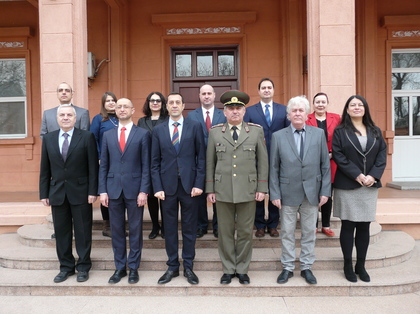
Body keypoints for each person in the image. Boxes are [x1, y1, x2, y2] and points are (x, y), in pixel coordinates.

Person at [206, 90, 269, 285]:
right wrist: (210, 188)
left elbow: (263, 161)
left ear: (244, 111)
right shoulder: (215, 131)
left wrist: (262, 188)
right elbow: (210, 162)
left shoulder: (256, 131)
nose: (235, 112)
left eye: (238, 108)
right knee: (224, 232)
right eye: (230, 108)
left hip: (248, 190)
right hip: (223, 190)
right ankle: (228, 268)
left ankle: (242, 269)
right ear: (224, 112)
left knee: (244, 232)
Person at [270, 95, 331, 285]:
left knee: (308, 232)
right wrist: (275, 193)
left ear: (306, 114)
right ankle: (287, 267)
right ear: (289, 115)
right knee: (287, 232)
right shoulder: (278, 136)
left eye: (301, 110)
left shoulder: (318, 134)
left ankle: (306, 267)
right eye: (294, 110)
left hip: (312, 192)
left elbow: (325, 165)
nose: (297, 113)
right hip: (287, 192)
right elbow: (274, 167)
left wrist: (325, 191)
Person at [39, 104, 98, 283]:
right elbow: (44, 168)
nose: (65, 117)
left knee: (82, 232)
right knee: (62, 232)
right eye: (62, 115)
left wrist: (92, 191)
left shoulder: (87, 137)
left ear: (75, 118)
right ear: (57, 118)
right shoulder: (49, 139)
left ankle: (83, 266)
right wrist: (43, 193)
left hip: (81, 192)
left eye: (69, 115)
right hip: (57, 192)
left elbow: (93, 167)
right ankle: (65, 267)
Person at [151, 92, 205, 285]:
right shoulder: (158, 130)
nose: (174, 105)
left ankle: (188, 266)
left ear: (183, 106)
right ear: (167, 107)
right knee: (170, 229)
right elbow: (154, 162)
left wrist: (199, 184)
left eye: (177, 102)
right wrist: (157, 187)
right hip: (167, 188)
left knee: (190, 229)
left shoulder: (195, 126)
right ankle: (173, 266)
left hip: (190, 187)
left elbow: (202, 158)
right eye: (171, 102)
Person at [332, 95, 387, 283]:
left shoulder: (375, 130)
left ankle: (360, 265)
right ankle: (347, 264)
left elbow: (381, 156)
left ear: (365, 109)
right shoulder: (340, 131)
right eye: (352, 105)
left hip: (369, 185)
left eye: (360, 105)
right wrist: (357, 174)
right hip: (348, 184)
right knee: (348, 225)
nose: (356, 107)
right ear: (347, 110)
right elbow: (338, 156)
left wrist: (373, 175)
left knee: (364, 226)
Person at [99, 98, 151, 285]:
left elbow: (146, 165)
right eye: (119, 106)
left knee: (136, 230)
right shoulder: (107, 135)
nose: (122, 109)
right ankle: (120, 267)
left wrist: (144, 190)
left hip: (135, 190)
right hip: (113, 191)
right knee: (117, 230)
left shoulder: (142, 134)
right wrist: (102, 190)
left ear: (132, 110)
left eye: (125, 107)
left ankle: (134, 268)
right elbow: (103, 165)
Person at [244, 78, 289, 238]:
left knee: (275, 190)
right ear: (259, 91)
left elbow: (287, 134)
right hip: (256, 158)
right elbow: (247, 134)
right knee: (258, 191)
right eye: (263, 88)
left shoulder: (283, 110)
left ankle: (273, 224)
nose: (266, 90)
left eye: (269, 87)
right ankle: (260, 225)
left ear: (273, 90)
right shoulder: (250, 111)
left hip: (278, 157)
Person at [187, 84, 226, 238]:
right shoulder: (191, 115)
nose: (207, 96)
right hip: (198, 160)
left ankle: (217, 226)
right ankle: (201, 226)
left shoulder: (222, 115)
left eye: (209, 93)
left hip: (219, 160)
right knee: (199, 194)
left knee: (219, 194)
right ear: (199, 96)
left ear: (214, 95)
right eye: (204, 93)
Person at [306, 92, 341, 236]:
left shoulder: (337, 118)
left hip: (331, 160)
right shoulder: (307, 119)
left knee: (328, 192)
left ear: (327, 103)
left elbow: (341, 139)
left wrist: (333, 153)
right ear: (313, 104)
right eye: (317, 102)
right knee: (313, 194)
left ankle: (326, 225)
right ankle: (313, 225)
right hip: (312, 162)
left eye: (323, 102)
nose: (320, 104)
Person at [137, 92, 168, 240]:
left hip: (165, 163)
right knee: (151, 197)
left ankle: (166, 226)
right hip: (147, 163)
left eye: (158, 100)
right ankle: (155, 225)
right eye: (152, 100)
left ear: (162, 103)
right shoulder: (142, 121)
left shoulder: (168, 119)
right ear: (148, 103)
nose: (155, 103)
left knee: (164, 196)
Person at [90, 91, 118, 238]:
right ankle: (107, 225)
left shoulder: (121, 118)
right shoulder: (98, 119)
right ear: (103, 104)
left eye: (113, 100)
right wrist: (100, 156)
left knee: (119, 193)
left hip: (121, 163)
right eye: (108, 101)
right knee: (106, 193)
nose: (111, 103)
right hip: (105, 163)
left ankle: (118, 224)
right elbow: (92, 139)